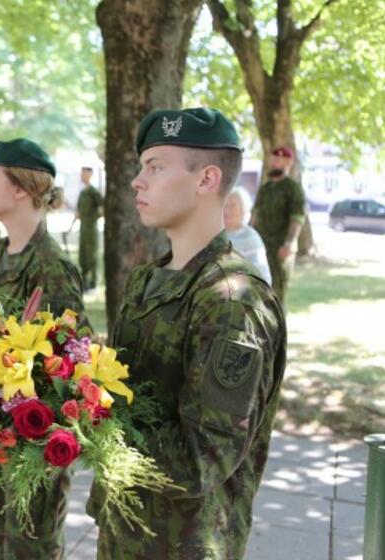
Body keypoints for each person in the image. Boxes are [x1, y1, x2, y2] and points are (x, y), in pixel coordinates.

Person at [89, 108, 285, 559]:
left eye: (155, 167)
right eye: (141, 168)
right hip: (124, 530)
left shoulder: (233, 301)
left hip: (182, 545)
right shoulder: (147, 280)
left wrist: (89, 419)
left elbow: (203, 461)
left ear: (206, 179)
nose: (138, 181)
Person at [0, 139, 85, 559]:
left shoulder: (51, 266)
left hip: (32, 448)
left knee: (28, 550)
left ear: (20, 189)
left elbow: (70, 365)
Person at [251, 146, 306, 304]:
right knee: (259, 290)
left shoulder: (292, 188)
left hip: (280, 249)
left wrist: (289, 243)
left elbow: (297, 217)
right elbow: (255, 215)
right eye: (272, 159)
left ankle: (278, 328)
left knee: (276, 295)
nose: (274, 163)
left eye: (278, 160)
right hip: (261, 247)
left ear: (288, 162)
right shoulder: (265, 188)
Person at [224, 187, 272, 285]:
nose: (227, 210)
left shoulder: (250, 237)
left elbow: (262, 276)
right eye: (225, 205)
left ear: (243, 210)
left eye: (233, 205)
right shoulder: (215, 234)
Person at [75, 165, 103, 290]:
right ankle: (84, 281)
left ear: (89, 174)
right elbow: (79, 211)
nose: (81, 176)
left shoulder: (93, 191)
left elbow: (103, 207)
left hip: (91, 228)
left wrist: (93, 217)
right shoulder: (83, 192)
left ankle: (93, 282)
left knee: (91, 254)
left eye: (83, 173)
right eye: (81, 173)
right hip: (83, 227)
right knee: (83, 254)